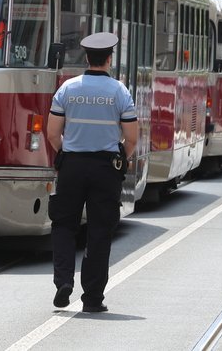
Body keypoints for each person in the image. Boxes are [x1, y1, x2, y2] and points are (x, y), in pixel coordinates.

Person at [46, 32, 138, 314]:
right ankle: (93, 298)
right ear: (109, 59)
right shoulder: (119, 91)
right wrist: (121, 157)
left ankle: (63, 281)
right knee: (100, 231)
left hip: (72, 166)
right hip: (105, 169)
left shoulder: (67, 88)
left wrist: (65, 153)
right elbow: (132, 137)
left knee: (63, 225)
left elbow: (52, 133)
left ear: (86, 58)